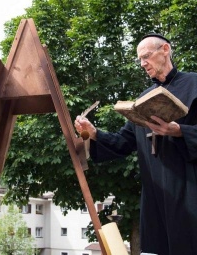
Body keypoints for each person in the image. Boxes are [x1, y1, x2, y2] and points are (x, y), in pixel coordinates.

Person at [74, 33, 197, 255]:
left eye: (147, 56)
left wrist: (179, 131)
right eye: (140, 59)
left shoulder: (194, 85)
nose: (143, 64)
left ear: (165, 50)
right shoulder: (144, 100)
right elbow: (123, 141)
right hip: (155, 197)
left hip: (188, 191)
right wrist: (94, 133)